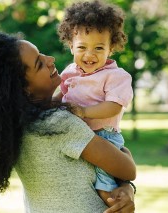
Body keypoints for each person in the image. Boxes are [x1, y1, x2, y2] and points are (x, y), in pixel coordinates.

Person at [0, 31, 136, 212]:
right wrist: (126, 181)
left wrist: (125, 188)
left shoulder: (18, 125)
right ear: (21, 88)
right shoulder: (57, 124)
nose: (50, 60)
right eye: (39, 64)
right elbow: (127, 169)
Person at [55, 0, 134, 206]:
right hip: (76, 134)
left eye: (99, 48)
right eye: (82, 47)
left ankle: (115, 206)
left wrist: (84, 111)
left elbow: (114, 106)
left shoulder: (116, 76)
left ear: (111, 49)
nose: (90, 55)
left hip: (104, 136)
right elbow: (58, 97)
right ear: (71, 46)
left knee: (103, 187)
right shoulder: (69, 72)